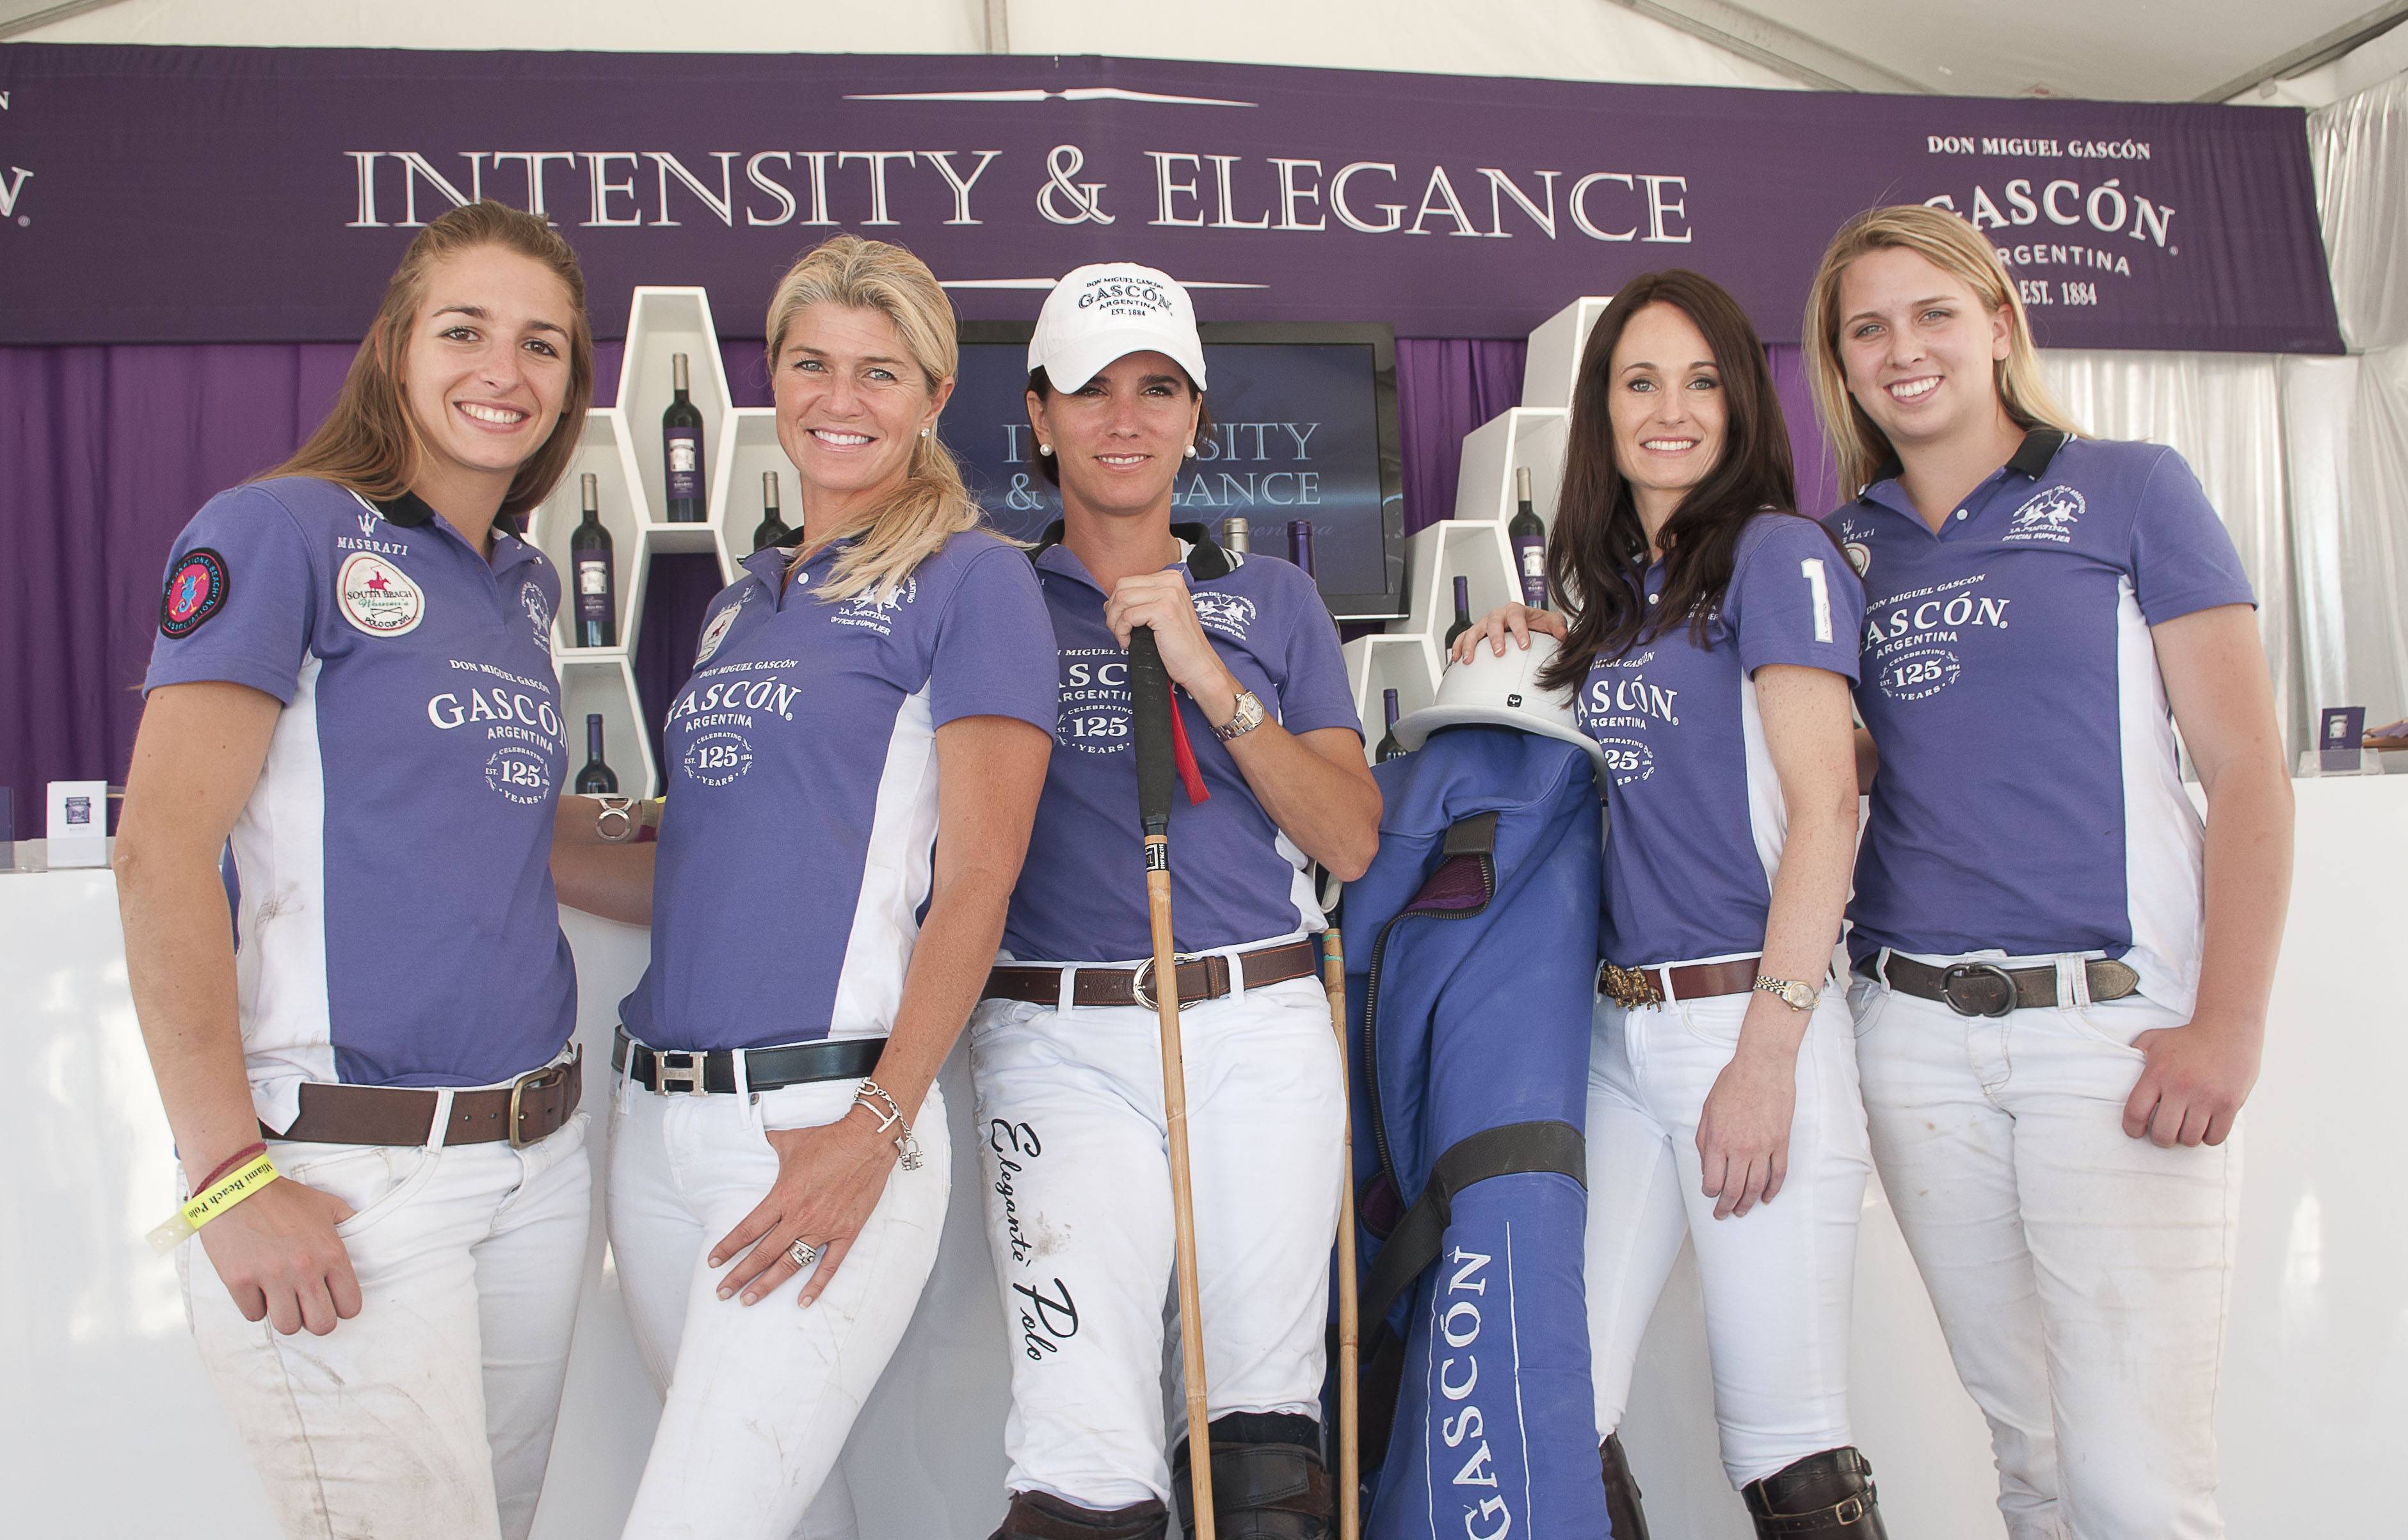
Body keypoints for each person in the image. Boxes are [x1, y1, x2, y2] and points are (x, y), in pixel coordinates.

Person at [550, 234, 1057, 1540]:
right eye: (812, 364)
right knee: (787, 1510)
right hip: (658, 1131)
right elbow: (707, 853)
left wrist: (874, 1128)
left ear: (934, 395)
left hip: (821, 1122)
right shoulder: (743, 602)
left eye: (879, 371)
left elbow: (981, 877)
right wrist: (508, 826)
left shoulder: (974, 581)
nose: (841, 398)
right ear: (771, 379)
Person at [1801, 204, 2292, 1539]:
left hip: (2111, 1035)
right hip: (1913, 1040)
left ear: (1998, 324)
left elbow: (2246, 769)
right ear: (1840, 366)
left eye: (1933, 314)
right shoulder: (1837, 548)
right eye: (1867, 329)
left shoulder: (2132, 489)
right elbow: (1820, 759)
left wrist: (2229, 1026)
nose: (1904, 350)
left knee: (2136, 1488)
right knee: (2032, 1465)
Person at [113, 200, 597, 1540]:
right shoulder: (279, 531)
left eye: (542, 345)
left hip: (535, 1163)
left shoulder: (521, 586)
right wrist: (226, 1176)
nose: (504, 370)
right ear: (394, 349)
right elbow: (159, 850)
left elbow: (495, 831)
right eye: (465, 331)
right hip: (346, 1173)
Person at [1452, 271, 1887, 1539]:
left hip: (1750, 1020)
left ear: (1741, 400)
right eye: (1640, 382)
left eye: (1701, 381)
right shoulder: (1620, 598)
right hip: (1618, 1034)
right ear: (1603, 408)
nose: (1671, 410)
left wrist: (1767, 1055)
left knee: (1785, 1442)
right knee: (1552, 1403)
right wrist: (1535, 638)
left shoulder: (1776, 554)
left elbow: (1828, 808)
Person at [971, 264, 1381, 1540]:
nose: (1124, 418)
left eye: (1157, 389)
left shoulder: (1274, 600)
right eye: (1090, 389)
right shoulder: (984, 594)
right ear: (1038, 415)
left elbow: (1350, 837)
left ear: (1195, 417)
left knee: (1262, 1453)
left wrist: (1212, 676)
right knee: (1083, 1457)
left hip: (1258, 1030)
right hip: (1056, 1040)